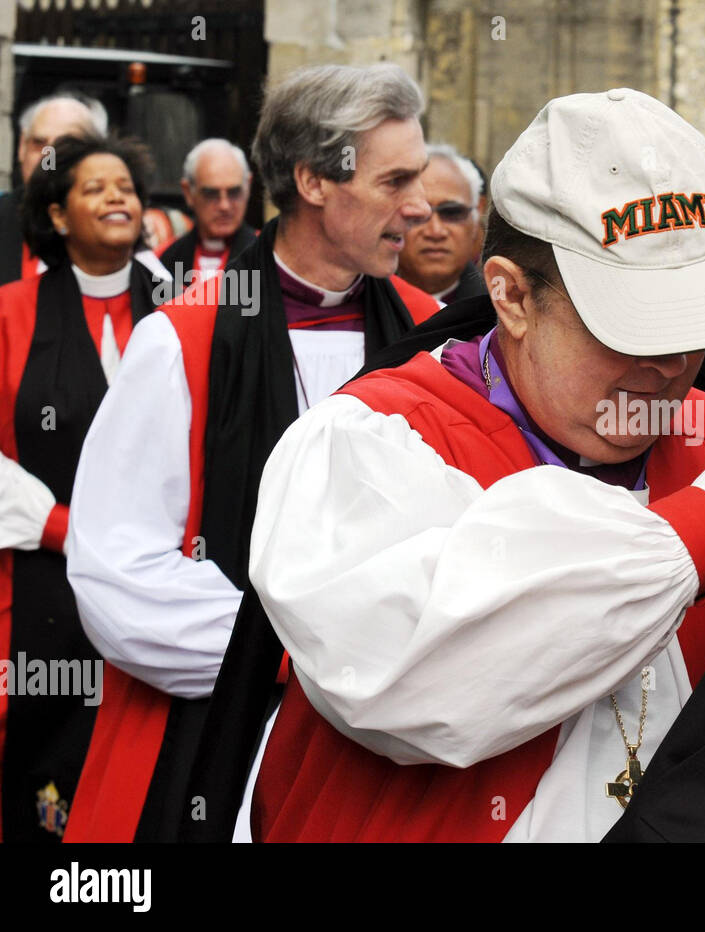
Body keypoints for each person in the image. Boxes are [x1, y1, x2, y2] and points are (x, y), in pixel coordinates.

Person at [243, 87, 705, 842]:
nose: (671, 364)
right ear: (510, 295)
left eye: (692, 325)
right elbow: (413, 687)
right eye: (630, 329)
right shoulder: (371, 442)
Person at [62, 62, 442, 843]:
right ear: (311, 179)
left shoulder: (433, 333)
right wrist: (311, 656)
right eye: (395, 180)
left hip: (406, 744)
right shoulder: (184, 339)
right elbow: (116, 569)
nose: (421, 206)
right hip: (227, 735)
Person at [0, 133, 168, 841]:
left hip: (161, 579)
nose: (116, 197)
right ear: (58, 215)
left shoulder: (186, 307)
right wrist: (66, 529)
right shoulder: (8, 312)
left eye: (126, 186)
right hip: (41, 585)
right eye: (95, 188)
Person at [0, 94, 109, 285]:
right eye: (39, 144)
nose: (48, 159)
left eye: (65, 146)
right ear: (21, 148)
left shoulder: (115, 224)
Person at [157, 139, 257, 288]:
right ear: (188, 192)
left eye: (234, 192)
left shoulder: (270, 253)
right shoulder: (162, 260)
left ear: (248, 186)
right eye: (211, 194)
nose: (224, 205)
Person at [395, 144, 487, 305]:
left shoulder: (503, 309)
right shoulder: (356, 302)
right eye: (417, 214)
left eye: (452, 213)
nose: (435, 231)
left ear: (476, 216)